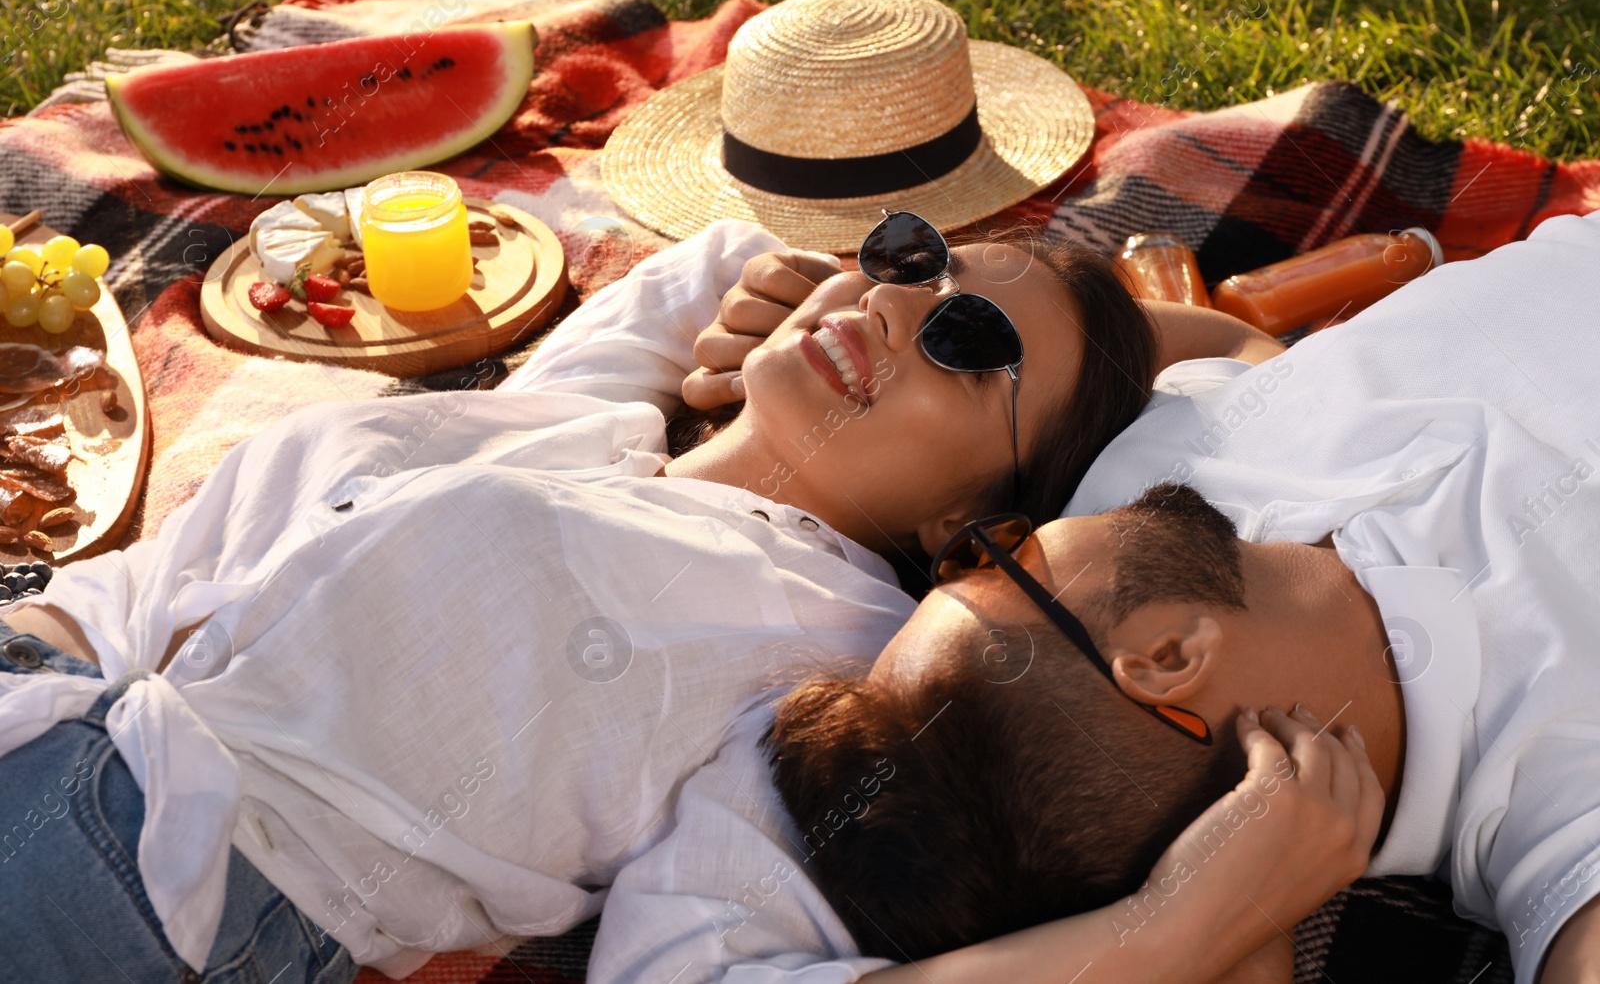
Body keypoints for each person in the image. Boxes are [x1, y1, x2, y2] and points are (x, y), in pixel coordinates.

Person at [0, 206, 1252, 983]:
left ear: (968, 521)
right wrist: (770, 306)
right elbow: (708, 258)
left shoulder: (823, 657)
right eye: (910, 256)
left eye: (971, 342)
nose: (895, 302)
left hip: (119, 855)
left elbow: (699, 959)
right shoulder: (592, 422)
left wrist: (1167, 938)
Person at [764, 207, 1600, 983]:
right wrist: (1184, 932)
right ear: (1165, 656)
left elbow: (1093, 330)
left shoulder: (1141, 483)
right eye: (996, 564)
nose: (1021, 529)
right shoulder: (1552, 803)